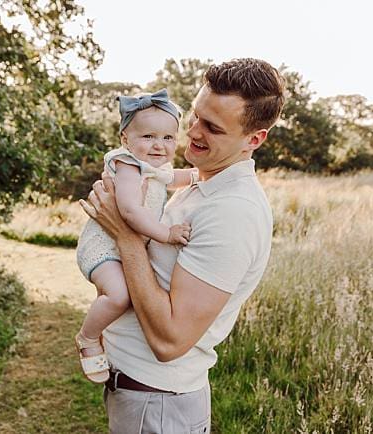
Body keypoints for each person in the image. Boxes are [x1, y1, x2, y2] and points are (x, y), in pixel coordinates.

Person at [79, 58, 282, 433]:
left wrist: (124, 235)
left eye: (213, 128)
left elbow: (171, 341)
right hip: (140, 393)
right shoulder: (201, 185)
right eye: (195, 117)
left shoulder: (232, 212)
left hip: (157, 402)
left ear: (254, 140)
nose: (193, 132)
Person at [73, 90, 197, 383]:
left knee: (133, 293)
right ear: (125, 139)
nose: (159, 145)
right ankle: (88, 338)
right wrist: (166, 234)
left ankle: (104, 334)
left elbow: (175, 177)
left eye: (168, 138)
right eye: (148, 137)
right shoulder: (127, 165)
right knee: (119, 296)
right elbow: (128, 211)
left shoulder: (154, 169)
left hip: (119, 246)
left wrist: (201, 175)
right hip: (103, 247)